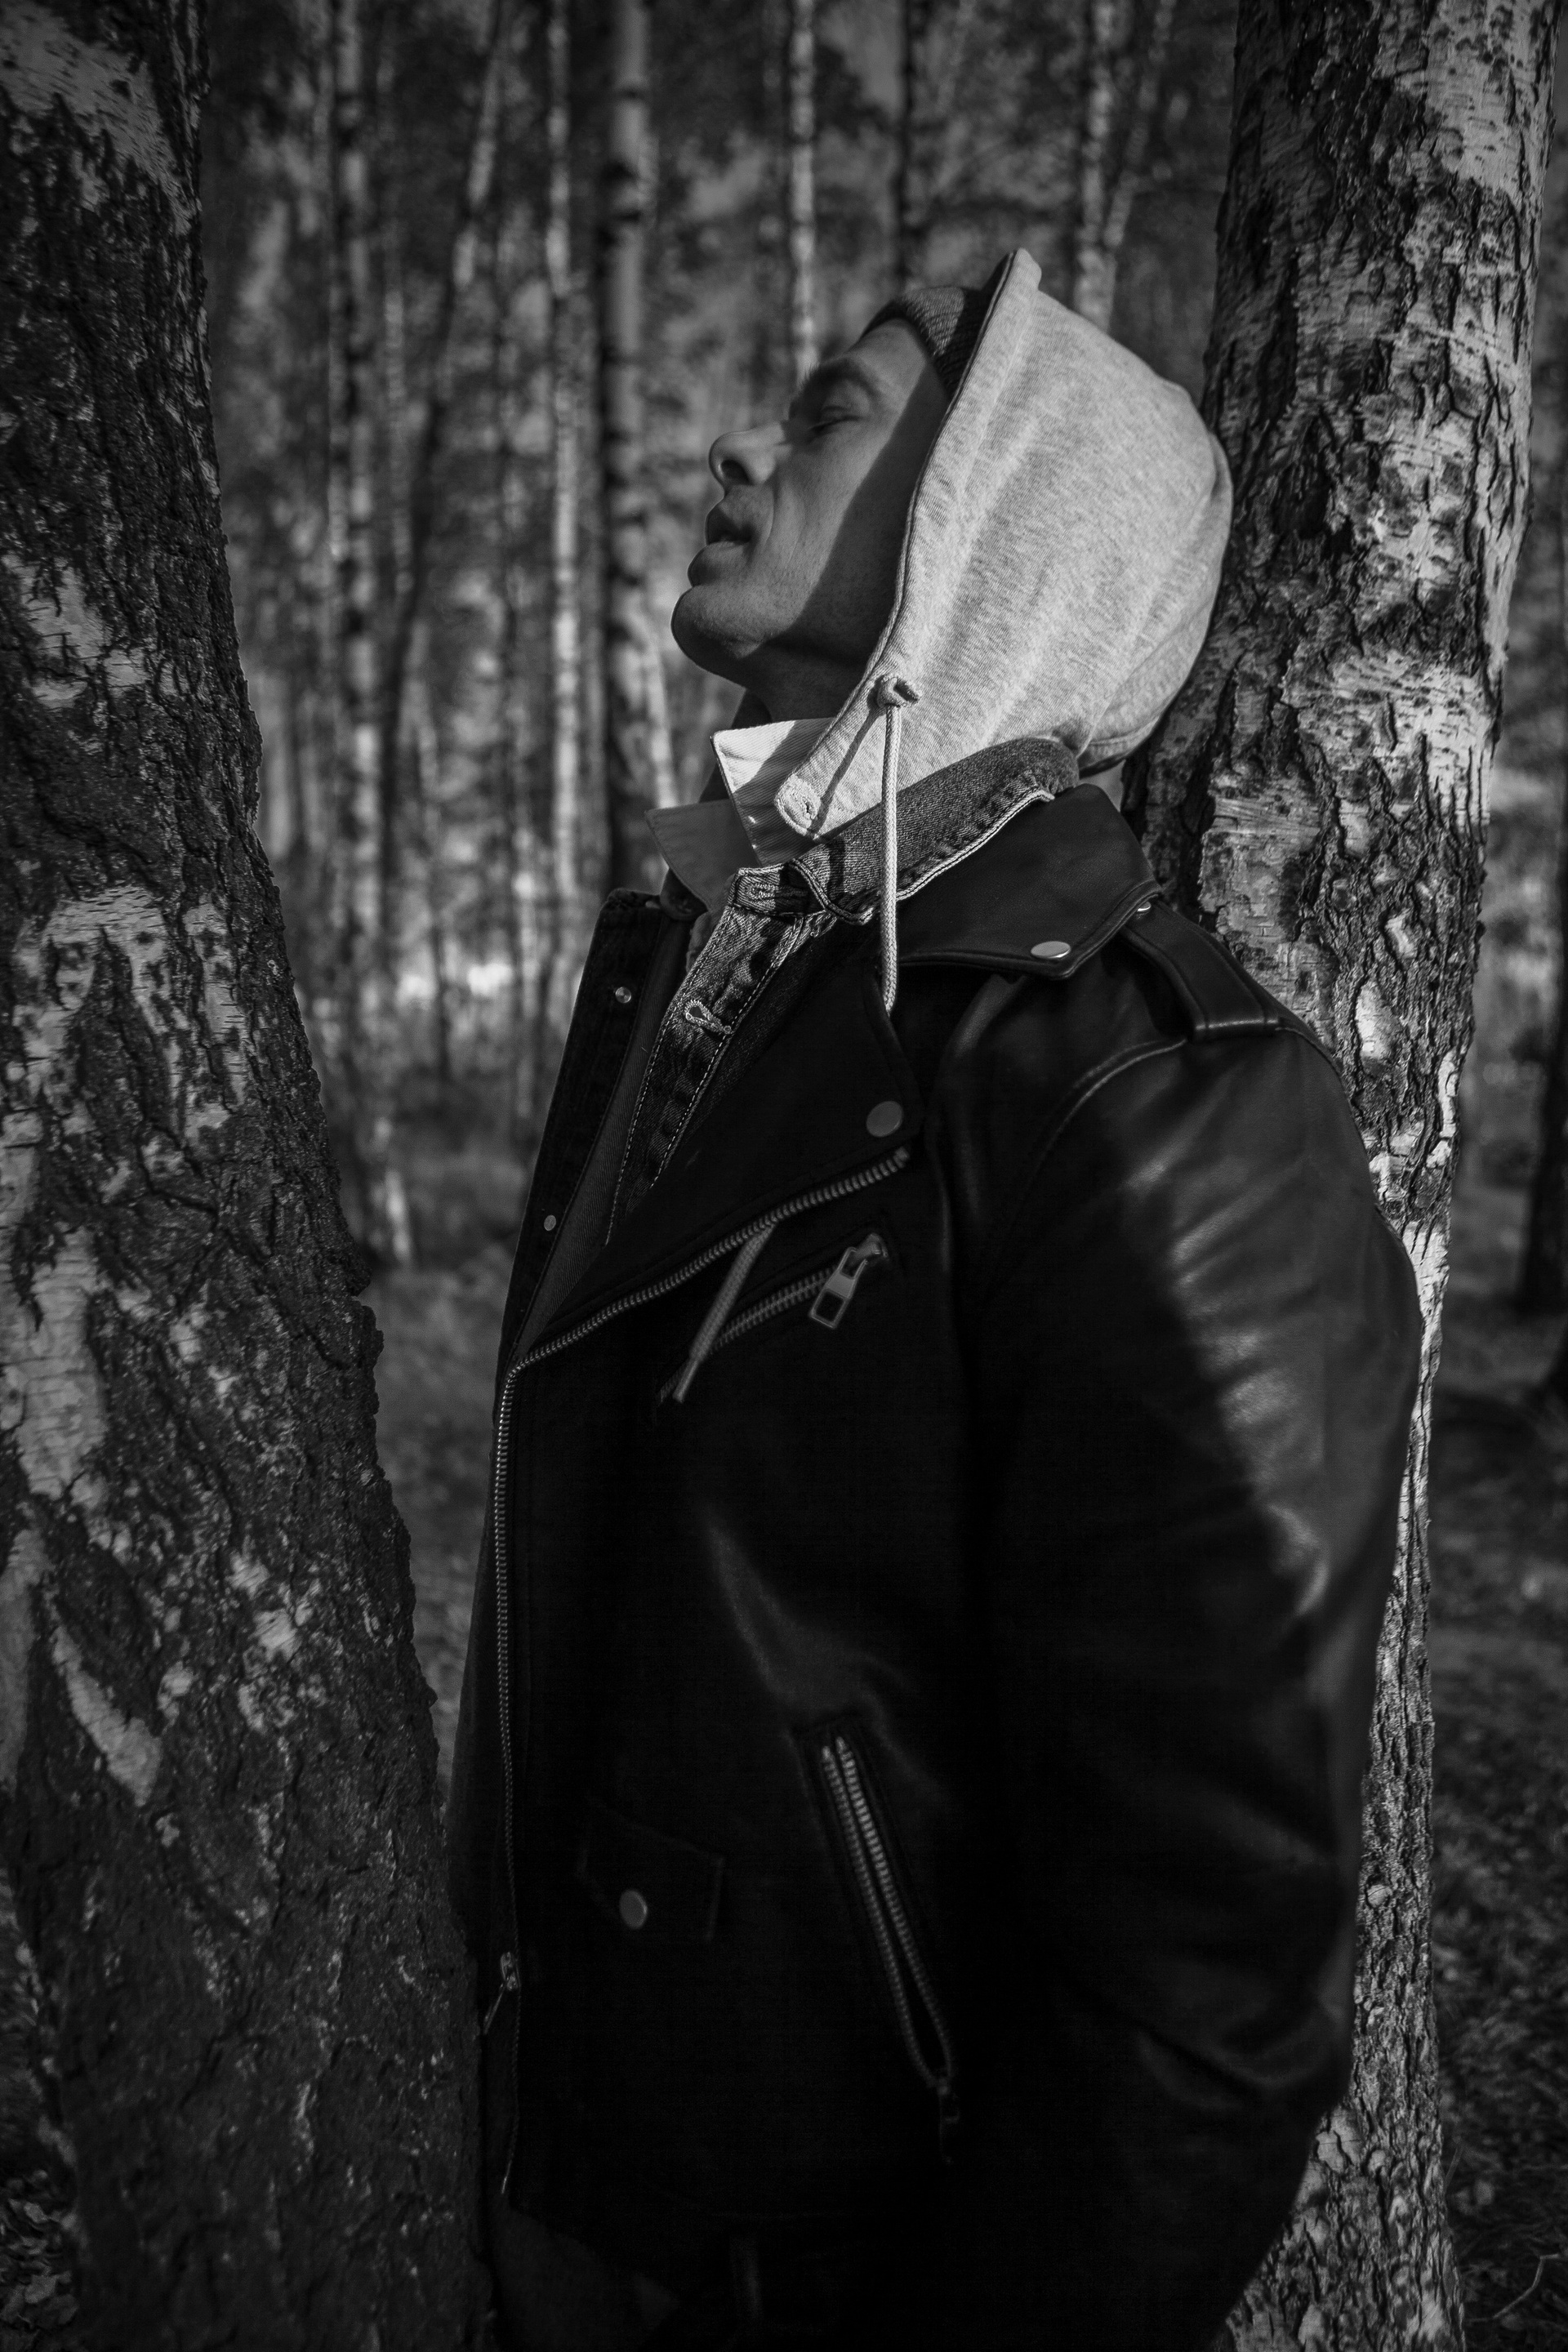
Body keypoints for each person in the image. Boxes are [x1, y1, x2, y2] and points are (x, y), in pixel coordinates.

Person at [448, 249, 1422, 2351]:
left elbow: (1209, 1984)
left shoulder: (1160, 1098)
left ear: (1002, 517)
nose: (733, 448)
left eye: (822, 413)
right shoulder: (731, 958)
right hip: (569, 2183)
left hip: (829, 2273)